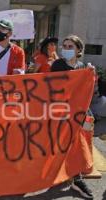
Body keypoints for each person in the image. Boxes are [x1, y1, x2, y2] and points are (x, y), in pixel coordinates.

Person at [51, 35, 95, 199]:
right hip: (61, 112)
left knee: (76, 145)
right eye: (65, 46)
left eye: (70, 47)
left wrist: (90, 74)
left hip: (77, 113)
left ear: (78, 50)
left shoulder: (83, 67)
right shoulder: (58, 65)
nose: (66, 49)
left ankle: (76, 177)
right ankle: (63, 174)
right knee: (61, 145)